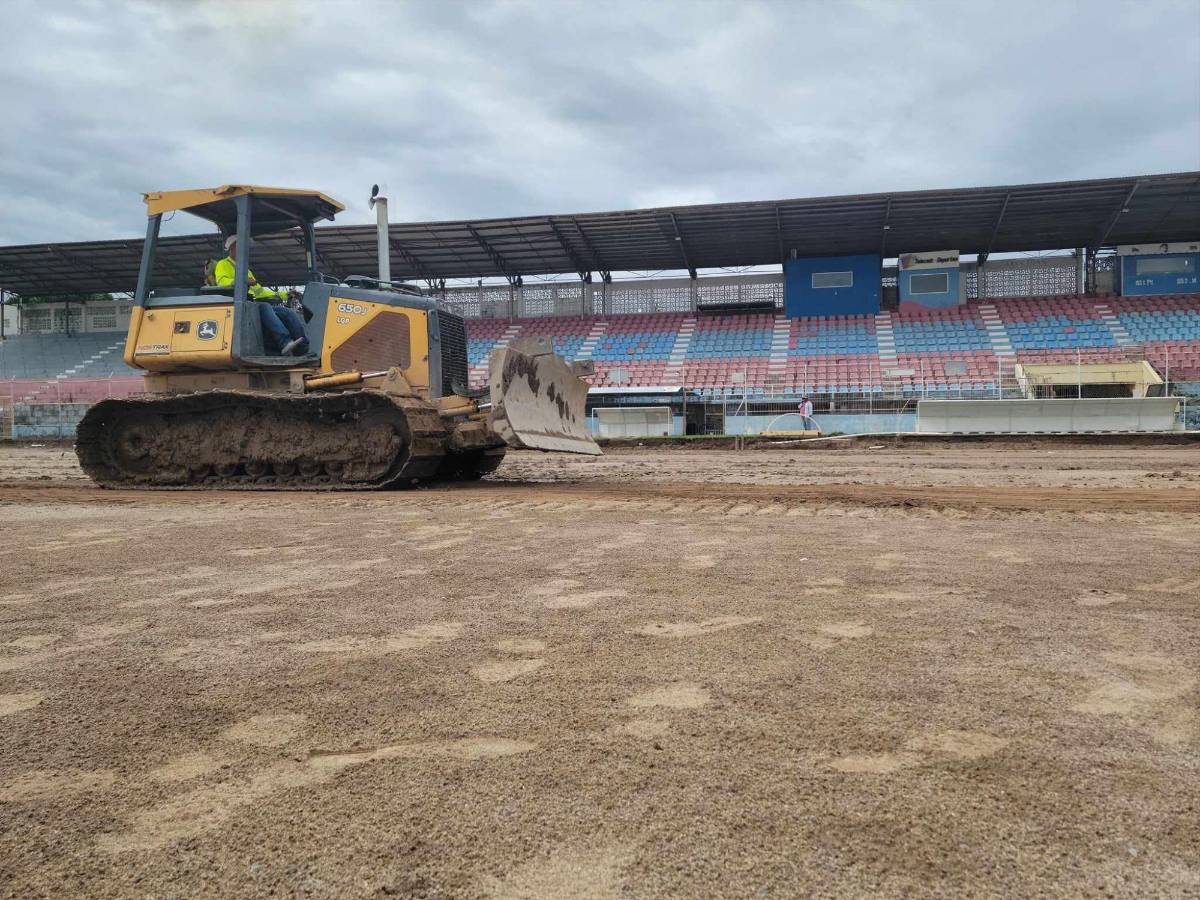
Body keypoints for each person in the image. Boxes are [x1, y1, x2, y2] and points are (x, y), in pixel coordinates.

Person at [214, 236, 309, 356]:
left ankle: (303, 348)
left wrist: (284, 294)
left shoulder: (246, 270)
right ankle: (284, 342)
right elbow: (222, 282)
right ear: (232, 248)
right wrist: (242, 280)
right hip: (237, 305)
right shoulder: (223, 264)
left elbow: (260, 292)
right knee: (265, 306)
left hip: (251, 305)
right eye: (241, 246)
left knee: (286, 312)